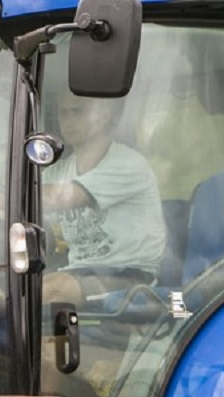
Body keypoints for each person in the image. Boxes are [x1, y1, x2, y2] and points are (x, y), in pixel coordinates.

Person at [43, 93, 166, 307]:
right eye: (63, 113)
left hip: (131, 276)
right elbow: (15, 209)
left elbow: (63, 198)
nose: (68, 120)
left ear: (104, 115)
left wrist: (1, 197)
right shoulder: (58, 172)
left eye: (77, 112)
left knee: (55, 289)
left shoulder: (129, 164)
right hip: (78, 271)